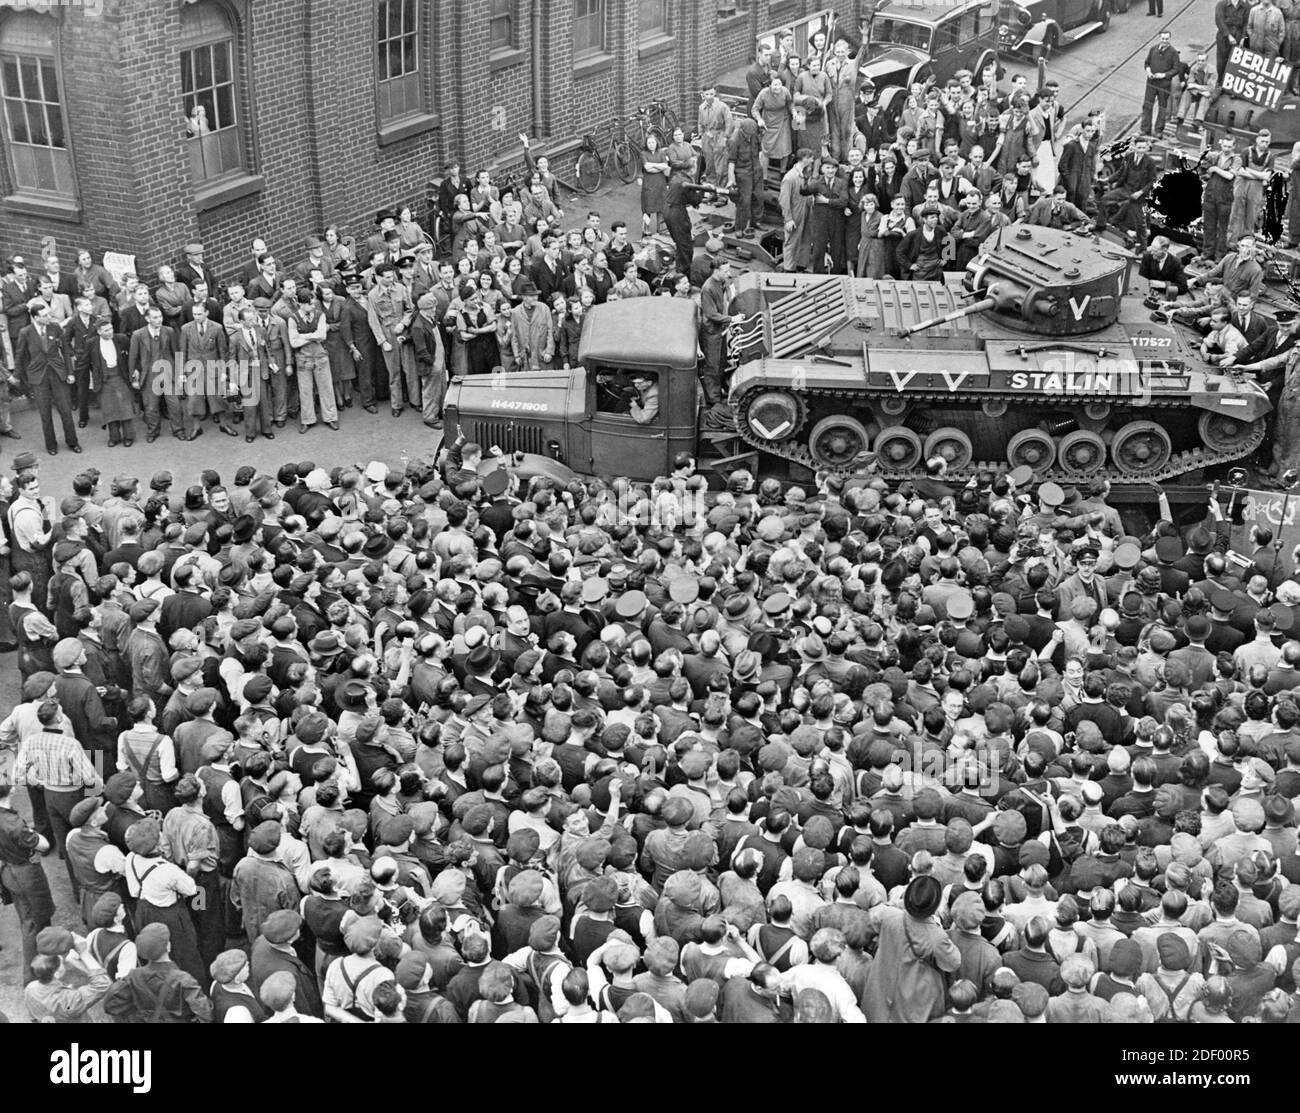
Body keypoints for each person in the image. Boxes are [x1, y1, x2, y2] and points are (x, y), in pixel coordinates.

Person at [1141, 30, 1180, 137]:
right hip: (1151, 82)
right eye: (1163, 39)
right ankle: (1145, 129)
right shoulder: (1153, 49)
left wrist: (1164, 75)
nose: (1165, 41)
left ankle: (1158, 130)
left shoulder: (1173, 53)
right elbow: (1147, 63)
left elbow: (1176, 69)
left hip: (1164, 84)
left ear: (1169, 39)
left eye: (1167, 39)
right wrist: (1148, 71)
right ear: (1159, 38)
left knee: (1163, 107)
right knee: (1147, 105)